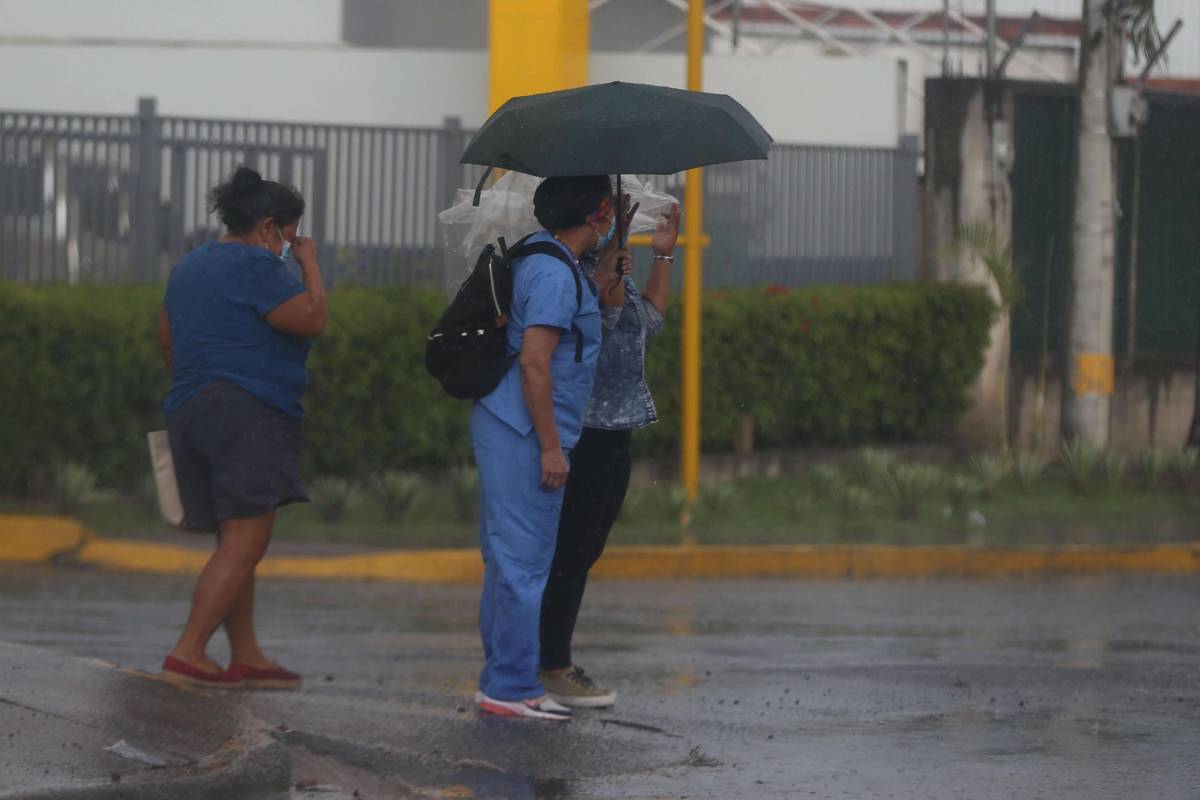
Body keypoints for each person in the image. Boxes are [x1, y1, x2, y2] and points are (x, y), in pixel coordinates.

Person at [156, 165, 327, 690]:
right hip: (248, 412)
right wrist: (310, 265)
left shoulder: (190, 265)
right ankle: (188, 651)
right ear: (269, 227)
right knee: (247, 541)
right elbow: (311, 318)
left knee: (234, 538)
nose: (291, 247)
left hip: (190, 408)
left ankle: (246, 654)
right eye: (290, 238)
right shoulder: (258, 264)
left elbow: (167, 338)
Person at [471, 175, 627, 720]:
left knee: (508, 561)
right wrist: (551, 448)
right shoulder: (554, 273)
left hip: (508, 424)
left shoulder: (545, 258)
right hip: (524, 431)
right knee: (522, 564)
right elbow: (535, 364)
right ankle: (511, 687)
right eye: (610, 209)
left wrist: (603, 278)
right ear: (599, 212)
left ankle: (505, 681)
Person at [538, 199, 681, 708]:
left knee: (586, 550)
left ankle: (547, 658)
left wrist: (662, 256)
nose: (614, 220)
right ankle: (551, 663)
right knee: (570, 551)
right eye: (607, 213)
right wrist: (617, 248)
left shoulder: (609, 265)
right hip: (588, 428)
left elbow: (649, 320)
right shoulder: (574, 272)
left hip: (618, 425)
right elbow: (610, 310)